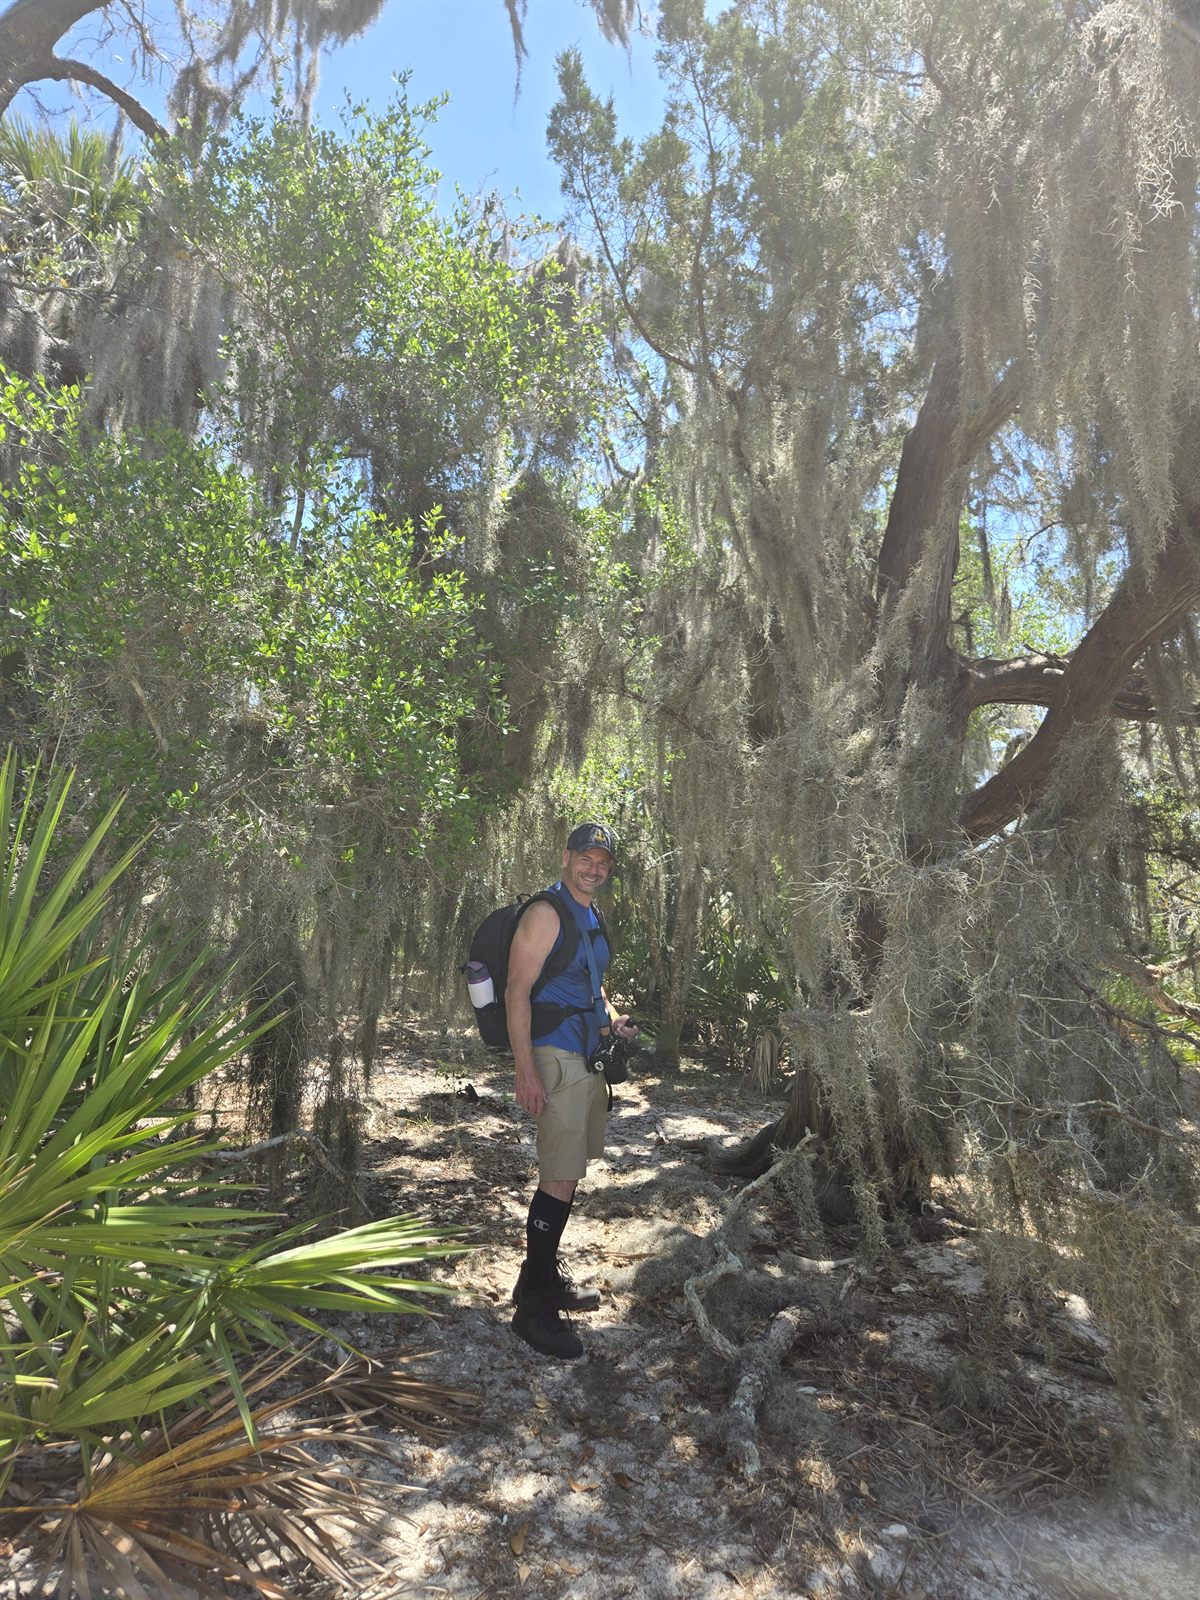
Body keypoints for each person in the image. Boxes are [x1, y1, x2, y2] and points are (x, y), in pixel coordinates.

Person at [506, 822, 638, 1360]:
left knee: (568, 1175)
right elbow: (517, 990)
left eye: (603, 862)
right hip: (553, 1056)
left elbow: (591, 986)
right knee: (557, 1175)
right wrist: (525, 1070)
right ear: (565, 858)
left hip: (585, 1055)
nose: (594, 868)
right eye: (586, 858)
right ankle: (532, 1312)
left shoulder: (590, 915)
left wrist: (611, 1020)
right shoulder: (546, 913)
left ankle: (537, 1278)